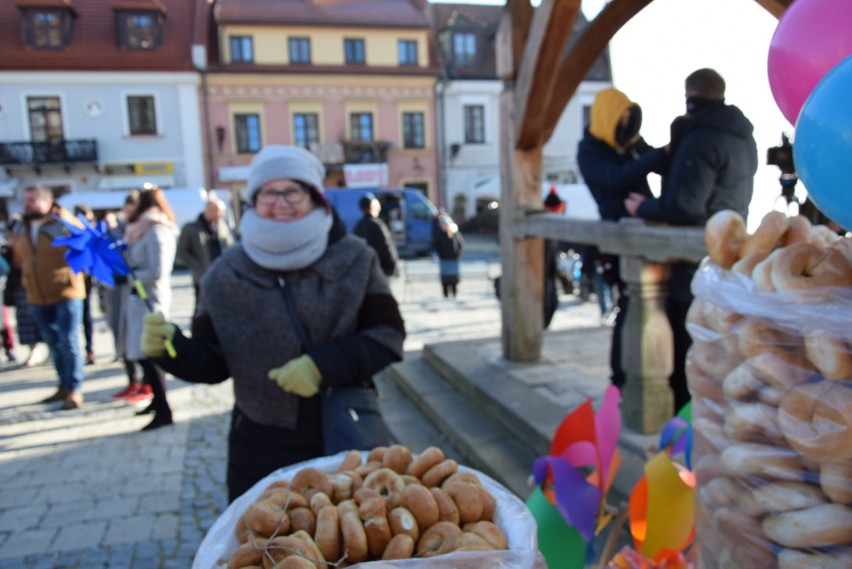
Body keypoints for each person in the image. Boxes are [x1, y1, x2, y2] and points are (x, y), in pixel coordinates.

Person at [140, 145, 405, 501]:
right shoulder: (225, 273)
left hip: (342, 433)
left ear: (314, 196)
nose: (280, 202)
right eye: (268, 192)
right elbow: (213, 361)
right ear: (254, 199)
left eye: (292, 190)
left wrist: (321, 367)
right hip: (259, 443)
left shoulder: (356, 257)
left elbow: (387, 334)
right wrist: (172, 350)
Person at [625, 68, 757, 412]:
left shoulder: (701, 137)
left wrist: (644, 207)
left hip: (691, 263)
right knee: (716, 350)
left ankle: (683, 421)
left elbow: (684, 203)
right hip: (728, 255)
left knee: (688, 351)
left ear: (690, 98)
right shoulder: (742, 135)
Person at [578, 87, 668, 390]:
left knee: (653, 306)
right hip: (619, 239)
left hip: (647, 231)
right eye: (622, 118)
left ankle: (649, 370)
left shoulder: (628, 143)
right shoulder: (589, 151)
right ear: (608, 117)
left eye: (630, 118)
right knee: (629, 306)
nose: (626, 124)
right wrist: (656, 156)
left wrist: (656, 152)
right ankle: (620, 377)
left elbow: (658, 163)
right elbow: (616, 178)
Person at [10, 187, 86, 409]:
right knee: (53, 343)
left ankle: (74, 389)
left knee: (68, 341)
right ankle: (63, 383)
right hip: (36, 294)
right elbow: (19, 258)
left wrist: (64, 215)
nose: (27, 204)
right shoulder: (22, 227)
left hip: (65, 292)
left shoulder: (62, 223)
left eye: (32, 200)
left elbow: (83, 244)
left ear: (46, 202)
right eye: (26, 200)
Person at [123, 187, 179, 430]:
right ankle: (157, 402)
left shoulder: (157, 230)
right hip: (138, 301)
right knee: (143, 356)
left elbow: (157, 270)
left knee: (152, 355)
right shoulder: (142, 231)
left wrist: (129, 276)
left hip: (150, 302)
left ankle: (164, 408)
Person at [102, 193, 144, 399]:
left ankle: (145, 382)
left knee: (140, 338)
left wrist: (128, 277)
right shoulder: (119, 229)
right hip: (119, 290)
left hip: (138, 292)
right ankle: (133, 380)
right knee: (122, 334)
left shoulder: (144, 230)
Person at [176, 196, 235, 311]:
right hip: (202, 278)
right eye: (219, 212)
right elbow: (181, 254)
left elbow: (230, 248)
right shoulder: (191, 228)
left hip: (221, 277)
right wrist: (198, 266)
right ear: (209, 210)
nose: (221, 215)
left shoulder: (222, 227)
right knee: (202, 311)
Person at [353, 193, 399, 278]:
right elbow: (386, 249)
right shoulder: (377, 225)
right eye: (377, 204)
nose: (379, 207)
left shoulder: (358, 226)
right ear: (372, 206)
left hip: (364, 272)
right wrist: (392, 267)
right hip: (379, 272)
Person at [74, 204, 97, 365]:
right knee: (76, 318)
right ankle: (78, 351)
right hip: (74, 281)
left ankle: (89, 349)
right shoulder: (72, 232)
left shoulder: (93, 232)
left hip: (88, 281)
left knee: (86, 316)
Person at [433, 214, 464, 298]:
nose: (445, 227)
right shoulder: (439, 234)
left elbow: (460, 244)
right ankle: (445, 294)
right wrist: (440, 254)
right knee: (445, 278)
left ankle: (454, 293)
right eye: (444, 225)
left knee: (454, 278)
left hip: (453, 259)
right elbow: (436, 245)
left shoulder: (454, 233)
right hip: (444, 259)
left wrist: (457, 254)